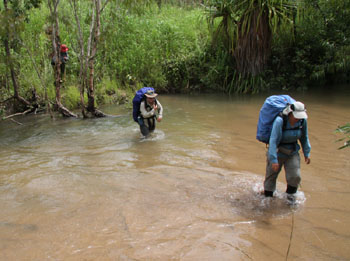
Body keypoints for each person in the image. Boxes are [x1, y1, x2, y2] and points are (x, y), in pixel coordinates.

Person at [263, 101, 311, 200]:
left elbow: (304, 137)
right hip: (277, 151)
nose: (298, 118)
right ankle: (268, 199)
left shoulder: (302, 121)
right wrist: (273, 159)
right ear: (290, 113)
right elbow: (273, 140)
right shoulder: (280, 121)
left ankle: (290, 198)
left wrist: (307, 153)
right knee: (271, 177)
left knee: (295, 176)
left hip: (292, 152)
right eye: (296, 116)